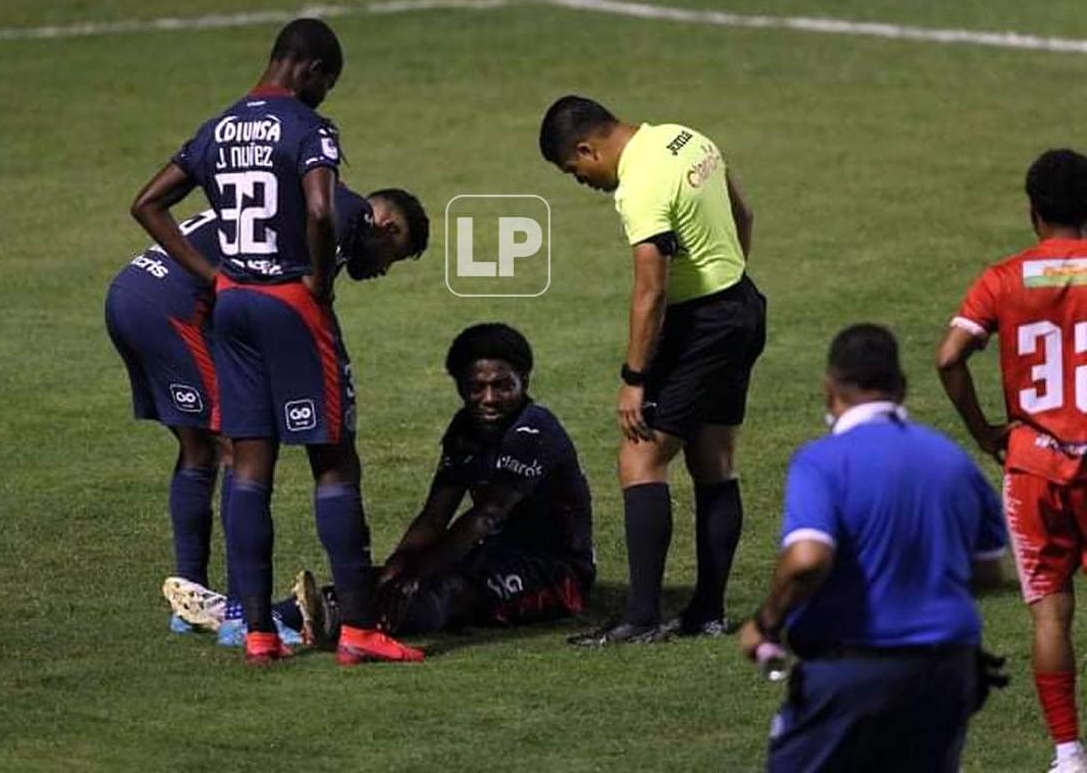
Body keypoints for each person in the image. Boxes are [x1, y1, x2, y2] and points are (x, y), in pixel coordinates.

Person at [129, 17, 422, 666]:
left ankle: (256, 630)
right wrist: (318, 278)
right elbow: (321, 210)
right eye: (328, 83)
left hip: (231, 303)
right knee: (333, 462)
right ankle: (360, 632)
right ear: (311, 69)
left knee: (249, 467)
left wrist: (211, 273)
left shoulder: (219, 126)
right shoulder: (307, 127)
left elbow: (147, 202)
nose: (326, 95)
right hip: (289, 302)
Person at [106, 183, 430, 647]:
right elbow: (293, 306)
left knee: (198, 448)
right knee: (241, 449)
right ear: (387, 227)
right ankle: (241, 616)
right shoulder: (345, 213)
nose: (380, 271)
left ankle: (191, 598)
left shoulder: (298, 196)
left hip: (132, 292)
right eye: (390, 257)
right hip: (173, 308)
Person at [538, 95, 766, 645]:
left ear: (587, 148)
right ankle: (705, 614)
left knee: (639, 456)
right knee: (713, 459)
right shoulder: (685, 137)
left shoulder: (639, 185)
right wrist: (727, 279)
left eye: (576, 170)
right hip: (741, 305)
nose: (585, 182)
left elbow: (651, 288)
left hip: (700, 327)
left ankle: (640, 617)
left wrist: (634, 378)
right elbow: (743, 214)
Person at [739, 324, 1008, 772]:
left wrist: (766, 623)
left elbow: (807, 559)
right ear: (901, 389)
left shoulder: (823, 461)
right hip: (948, 668)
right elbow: (989, 572)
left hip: (853, 669)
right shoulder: (952, 460)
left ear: (830, 390)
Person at [268, 323, 595, 645]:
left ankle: (338, 623)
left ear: (523, 380)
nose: (489, 398)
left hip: (556, 572)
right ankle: (270, 617)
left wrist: (418, 574)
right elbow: (435, 515)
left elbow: (486, 515)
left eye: (502, 386)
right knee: (382, 577)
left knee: (448, 588)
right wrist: (399, 565)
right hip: (490, 553)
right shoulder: (465, 428)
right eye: (476, 388)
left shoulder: (535, 430)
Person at [936, 148, 1087, 772]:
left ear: (1033, 212)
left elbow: (949, 357)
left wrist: (984, 432)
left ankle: (1069, 754)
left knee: (1050, 611)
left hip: (1034, 467)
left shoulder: (1002, 279)